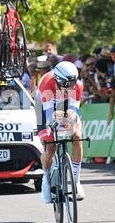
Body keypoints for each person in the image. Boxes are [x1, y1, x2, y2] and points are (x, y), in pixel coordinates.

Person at [35, 61, 85, 203]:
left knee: (76, 135)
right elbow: (50, 115)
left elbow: (75, 109)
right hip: (44, 108)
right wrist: (58, 121)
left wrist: (71, 115)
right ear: (57, 80)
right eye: (65, 85)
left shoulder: (78, 85)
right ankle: (46, 180)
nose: (69, 88)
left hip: (65, 104)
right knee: (50, 146)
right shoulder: (46, 82)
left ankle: (76, 182)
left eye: (72, 84)